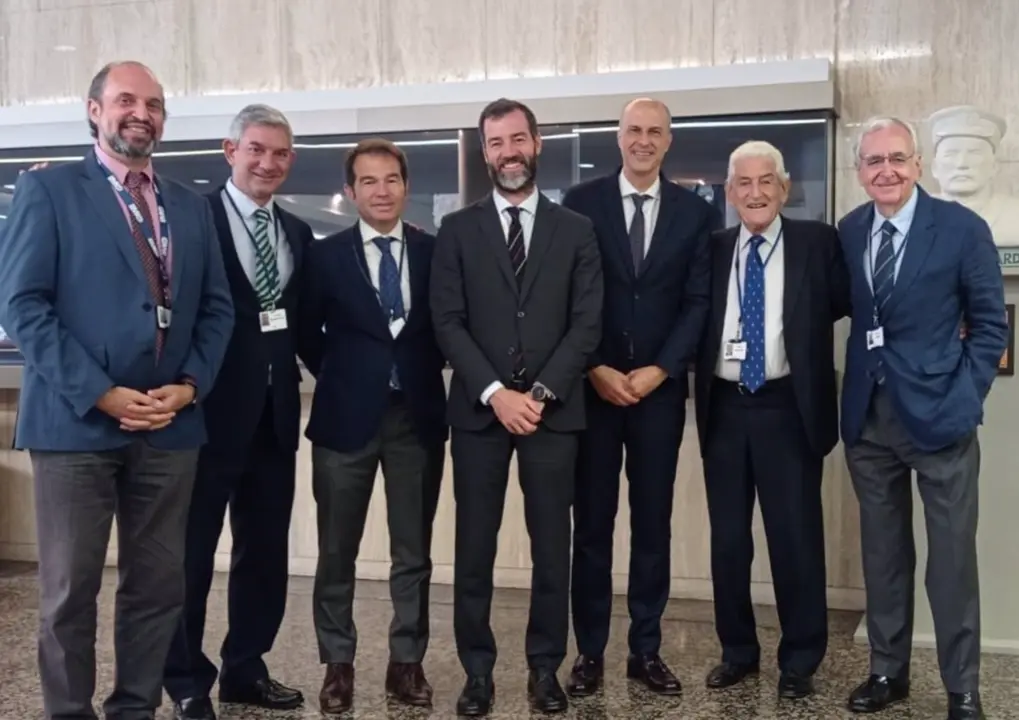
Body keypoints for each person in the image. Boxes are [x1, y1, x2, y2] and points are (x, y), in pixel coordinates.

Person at [0, 60, 234, 720]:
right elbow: (23, 306)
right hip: (76, 425)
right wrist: (101, 392)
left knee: (157, 589)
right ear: (94, 110)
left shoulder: (189, 205)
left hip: (170, 425)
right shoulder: (49, 191)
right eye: (127, 100)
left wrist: (189, 386)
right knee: (69, 593)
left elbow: (217, 310)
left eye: (154, 104)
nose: (142, 113)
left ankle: (134, 709)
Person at [430, 98, 603, 716]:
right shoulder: (457, 229)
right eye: (497, 142)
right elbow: (447, 322)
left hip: (553, 415)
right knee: (474, 549)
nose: (509, 152)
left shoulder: (576, 230)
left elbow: (587, 324)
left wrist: (539, 394)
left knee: (553, 549)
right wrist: (496, 393)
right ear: (485, 153)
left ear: (537, 143)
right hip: (480, 415)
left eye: (517, 139)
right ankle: (477, 673)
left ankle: (544, 668)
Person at [840, 116, 1006, 720]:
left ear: (917, 164)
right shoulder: (849, 230)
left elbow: (990, 326)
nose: (886, 170)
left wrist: (965, 397)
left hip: (941, 419)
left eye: (897, 158)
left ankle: (962, 688)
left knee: (952, 560)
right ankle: (888, 672)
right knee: (884, 557)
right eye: (874, 160)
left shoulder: (962, 229)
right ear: (860, 171)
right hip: (868, 420)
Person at [560, 97, 717, 697]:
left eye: (655, 131)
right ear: (618, 137)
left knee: (653, 525)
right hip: (593, 390)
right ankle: (590, 652)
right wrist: (594, 364)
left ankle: (645, 650)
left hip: (658, 394)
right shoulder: (581, 203)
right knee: (592, 526)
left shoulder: (695, 213)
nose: (643, 140)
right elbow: (568, 293)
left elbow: (697, 302)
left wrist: (662, 369)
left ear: (669, 140)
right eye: (634, 130)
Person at [162, 104, 312, 720]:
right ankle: (186, 680)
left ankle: (246, 669)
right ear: (230, 152)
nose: (268, 163)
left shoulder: (296, 232)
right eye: (256, 149)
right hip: (205, 416)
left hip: (275, 420)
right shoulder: (192, 219)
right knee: (191, 556)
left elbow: (300, 326)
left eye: (280, 153)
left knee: (264, 553)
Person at [693, 140, 850, 700]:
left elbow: (845, 304)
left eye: (766, 181)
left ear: (784, 188)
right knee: (729, 542)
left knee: (795, 539)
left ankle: (800, 659)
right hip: (725, 407)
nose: (755, 193)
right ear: (730, 192)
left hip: (789, 407)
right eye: (744, 182)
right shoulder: (712, 249)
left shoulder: (817, 242)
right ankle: (737, 651)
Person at [299, 139, 447, 715]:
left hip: (416, 418)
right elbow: (306, 332)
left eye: (391, 180)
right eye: (368, 181)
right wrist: (345, 376)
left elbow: (448, 327)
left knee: (413, 552)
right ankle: (337, 664)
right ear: (350, 190)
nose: (381, 191)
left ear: (405, 187)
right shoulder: (324, 256)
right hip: (345, 421)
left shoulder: (435, 252)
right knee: (337, 551)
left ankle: (406, 664)